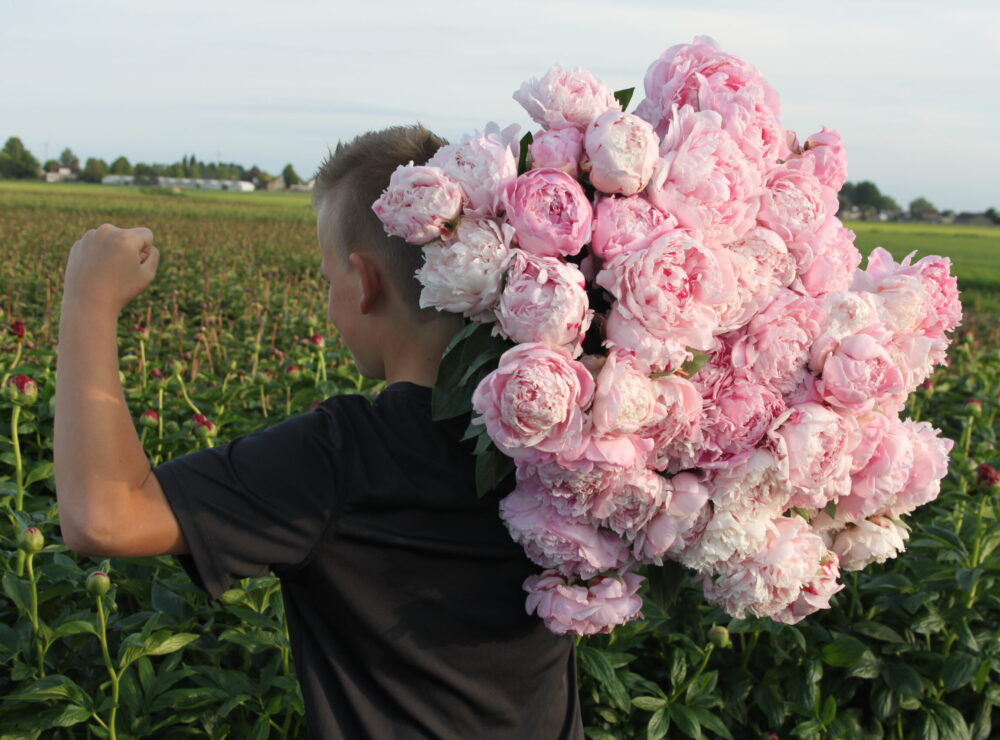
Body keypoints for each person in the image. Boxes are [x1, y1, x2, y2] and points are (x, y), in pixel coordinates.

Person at [53, 124, 585, 739]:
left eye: (328, 277)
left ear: (364, 283)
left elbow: (103, 516)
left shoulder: (346, 457)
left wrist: (88, 300)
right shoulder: (580, 439)